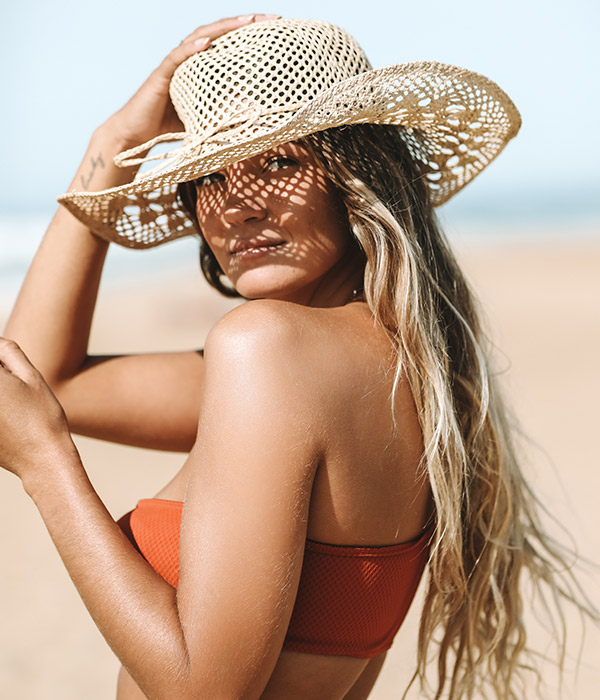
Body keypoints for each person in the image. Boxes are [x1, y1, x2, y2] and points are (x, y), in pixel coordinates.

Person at [0, 15, 594, 700]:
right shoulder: (396, 363)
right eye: (209, 176)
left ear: (357, 174)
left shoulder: (268, 351)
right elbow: (41, 379)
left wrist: (45, 465)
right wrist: (111, 145)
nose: (238, 209)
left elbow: (204, 692)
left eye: (279, 161)